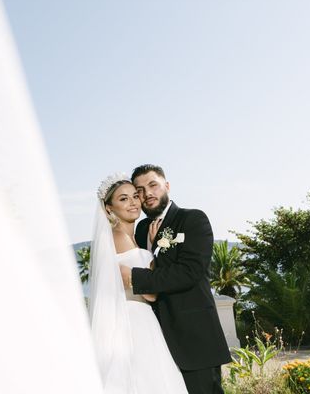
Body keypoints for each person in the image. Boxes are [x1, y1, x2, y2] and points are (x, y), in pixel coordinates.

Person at [119, 164, 232, 394]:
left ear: (166, 186)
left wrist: (134, 277)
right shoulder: (141, 230)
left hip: (194, 337)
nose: (147, 193)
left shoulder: (192, 219)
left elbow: (189, 271)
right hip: (156, 341)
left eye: (153, 185)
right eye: (140, 190)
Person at [89, 173, 188, 394]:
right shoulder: (119, 238)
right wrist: (154, 255)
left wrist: (150, 248)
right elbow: (151, 294)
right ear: (108, 209)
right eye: (123, 199)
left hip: (139, 318)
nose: (133, 202)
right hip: (135, 323)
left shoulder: (132, 239)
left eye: (135, 196)